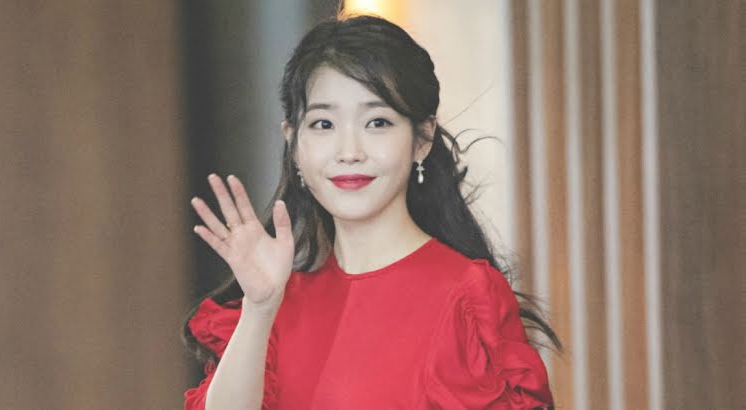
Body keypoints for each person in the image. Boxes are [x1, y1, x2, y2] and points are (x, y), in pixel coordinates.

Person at [182, 13, 561, 410]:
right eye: (323, 124)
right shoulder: (274, 303)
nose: (349, 152)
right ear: (292, 142)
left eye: (377, 122)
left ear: (422, 138)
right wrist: (259, 310)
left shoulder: (466, 296)